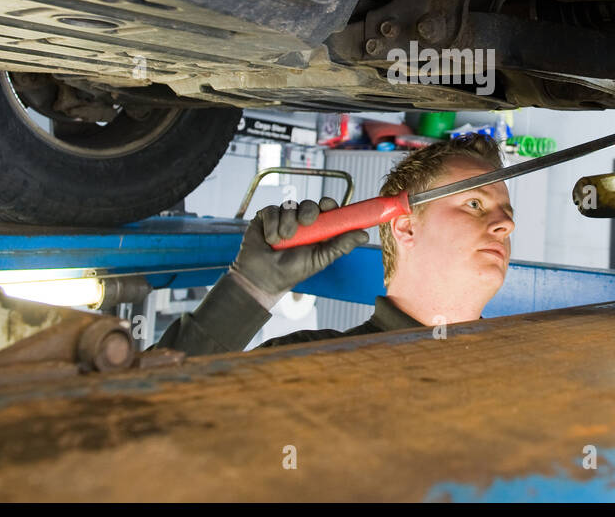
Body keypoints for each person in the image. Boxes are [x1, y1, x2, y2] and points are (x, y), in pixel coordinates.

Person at [155, 134, 513, 355]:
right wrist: (249, 289)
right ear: (406, 227)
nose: (507, 224)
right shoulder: (310, 361)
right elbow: (154, 412)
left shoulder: (527, 359)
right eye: (475, 204)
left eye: (506, 213)